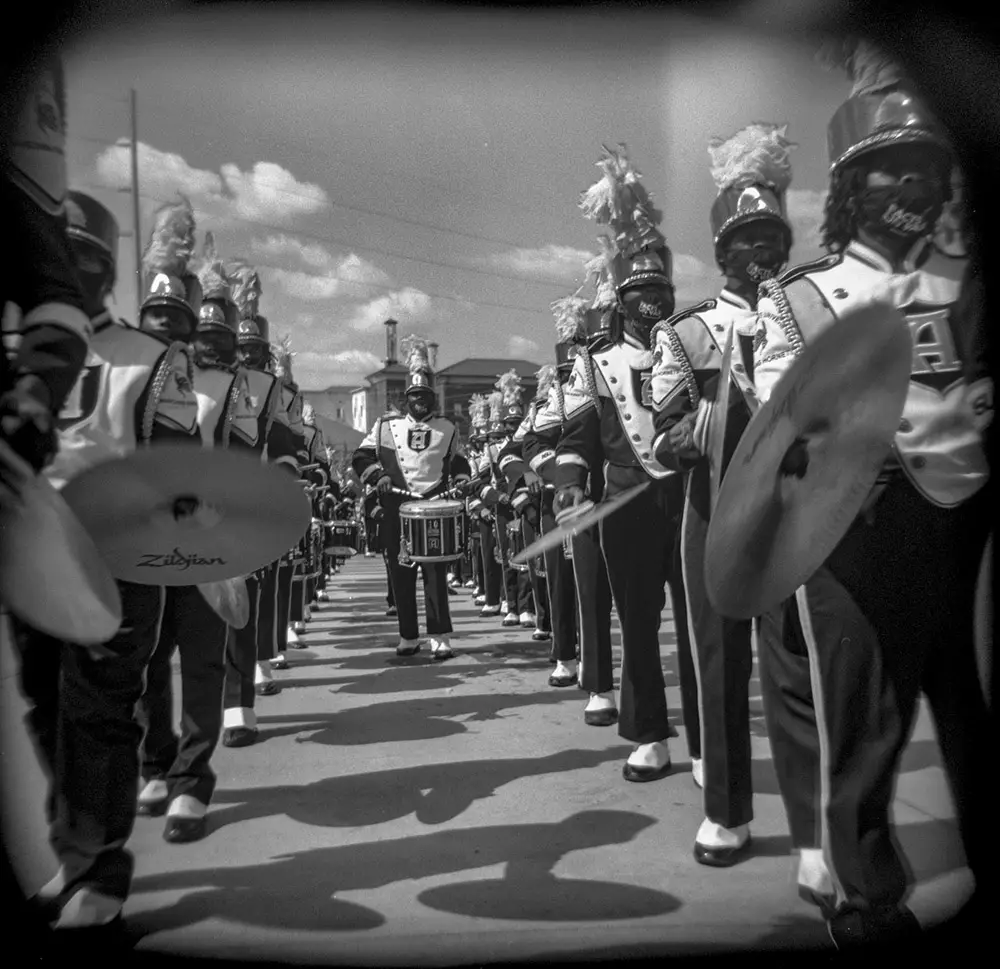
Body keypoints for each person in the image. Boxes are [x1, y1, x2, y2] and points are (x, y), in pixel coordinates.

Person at [749, 40, 992, 948]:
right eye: (891, 171)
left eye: (928, 169)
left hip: (968, 539)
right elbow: (785, 419)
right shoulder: (802, 298)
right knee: (863, 734)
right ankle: (866, 903)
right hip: (857, 545)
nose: (914, 188)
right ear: (852, 186)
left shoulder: (970, 283)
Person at [13, 193, 201, 933]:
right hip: (30, 549)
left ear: (103, 268)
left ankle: (98, 871)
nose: (69, 271)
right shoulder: (22, 352)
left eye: (83, 258)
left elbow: (178, 469)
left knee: (96, 711)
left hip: (114, 558)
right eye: (55, 257)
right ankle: (74, 847)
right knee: (43, 703)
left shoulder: (152, 359)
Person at [650, 122, 796, 865]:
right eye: (745, 240)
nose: (762, 251)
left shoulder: (813, 312)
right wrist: (699, 428)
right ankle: (728, 812)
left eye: (771, 234)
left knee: (799, 670)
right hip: (711, 517)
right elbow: (662, 434)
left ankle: (819, 833)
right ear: (721, 254)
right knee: (719, 660)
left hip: (800, 515)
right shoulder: (687, 333)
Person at [555, 145, 697, 782]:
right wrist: (568, 486)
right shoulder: (595, 361)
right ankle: (647, 732)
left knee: (699, 619)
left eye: (659, 290)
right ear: (621, 296)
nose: (650, 301)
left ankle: (706, 730)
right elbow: (579, 437)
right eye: (639, 291)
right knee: (637, 621)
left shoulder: (696, 342)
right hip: (626, 501)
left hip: (692, 496)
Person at [135, 234, 257, 840]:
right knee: (147, 658)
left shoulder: (232, 390)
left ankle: (191, 782)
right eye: (157, 318)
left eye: (178, 322)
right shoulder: (127, 374)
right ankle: (153, 764)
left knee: (203, 659)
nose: (179, 334)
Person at [523, 298, 620, 722]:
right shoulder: (561, 394)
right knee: (580, 590)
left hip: (633, 493)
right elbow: (533, 443)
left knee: (641, 602)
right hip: (578, 499)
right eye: (581, 341)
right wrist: (558, 474)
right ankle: (587, 672)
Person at [352, 335, 471, 659]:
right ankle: (408, 635)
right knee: (401, 575)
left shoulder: (448, 426)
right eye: (415, 395)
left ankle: (439, 636)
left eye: (426, 396)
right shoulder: (384, 426)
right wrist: (378, 476)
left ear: (433, 398)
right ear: (407, 397)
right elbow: (360, 458)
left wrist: (462, 478)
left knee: (434, 575)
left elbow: (457, 460)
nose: (420, 401)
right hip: (397, 509)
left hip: (433, 507)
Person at [220, 262, 299, 746]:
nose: (246, 357)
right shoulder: (194, 374)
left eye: (254, 351)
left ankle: (238, 707)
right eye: (240, 347)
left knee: (241, 605)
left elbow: (284, 443)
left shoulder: (269, 390)